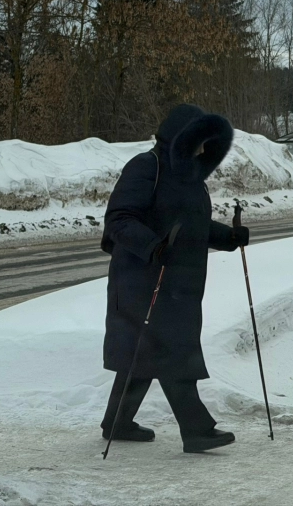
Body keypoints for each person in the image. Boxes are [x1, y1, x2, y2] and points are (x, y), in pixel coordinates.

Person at [99, 104, 250, 453]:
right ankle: (196, 430)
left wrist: (229, 237)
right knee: (172, 353)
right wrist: (153, 247)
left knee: (143, 353)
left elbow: (192, 226)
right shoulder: (146, 167)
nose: (202, 148)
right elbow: (119, 219)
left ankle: (117, 422)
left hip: (177, 284)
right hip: (142, 280)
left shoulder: (188, 177)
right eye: (198, 140)